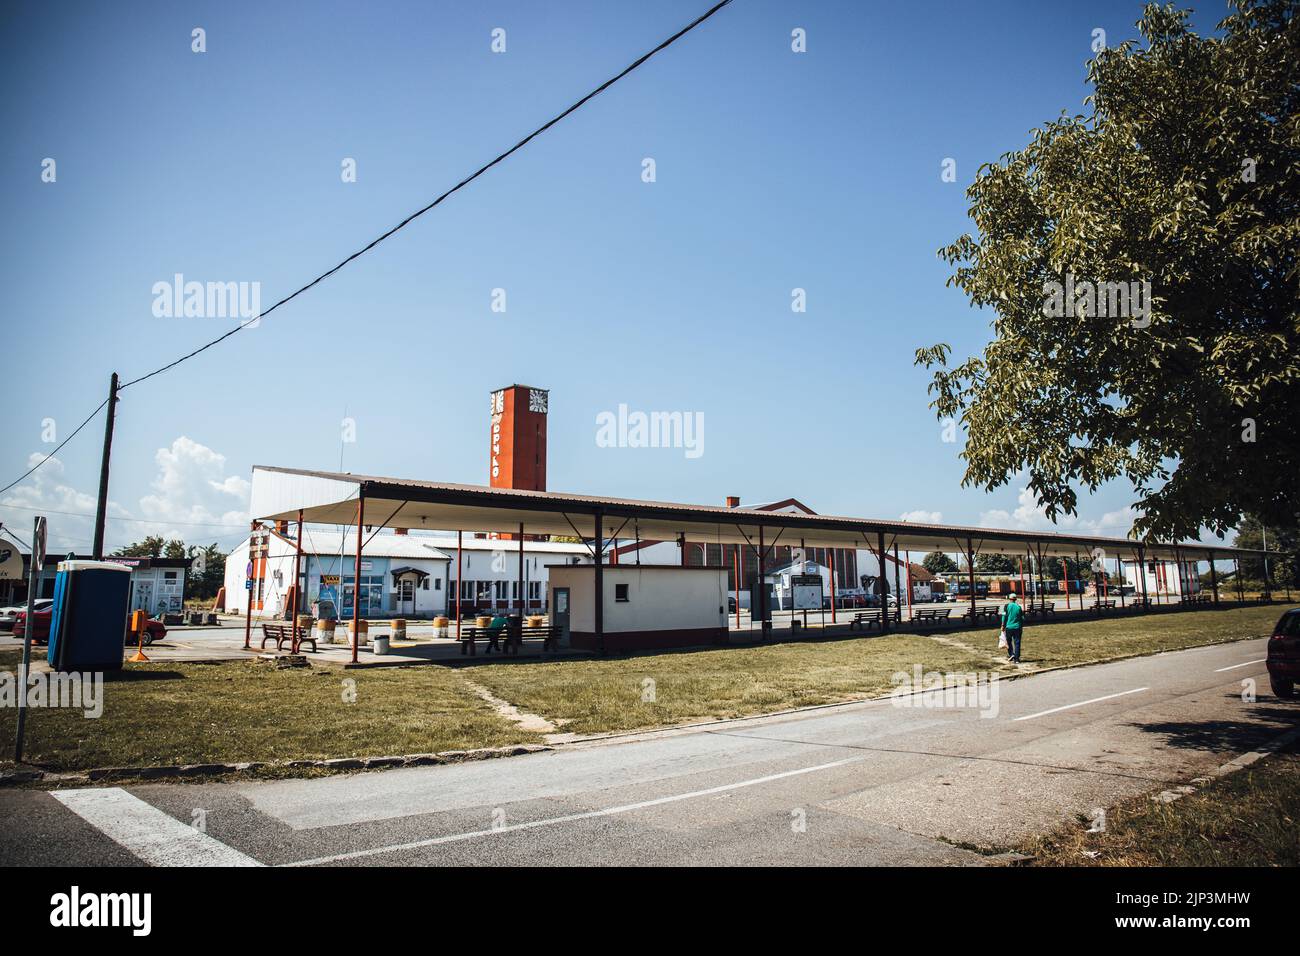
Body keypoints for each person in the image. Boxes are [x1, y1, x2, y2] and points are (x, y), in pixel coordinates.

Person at [1001, 592, 1024, 663]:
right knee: (1017, 642)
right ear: (1015, 599)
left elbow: (1004, 616)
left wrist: (1002, 625)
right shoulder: (1018, 607)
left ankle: (1011, 654)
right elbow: (1022, 618)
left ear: (1009, 599)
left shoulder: (1006, 606)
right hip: (1017, 627)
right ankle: (1017, 659)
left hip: (1009, 627)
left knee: (1008, 641)